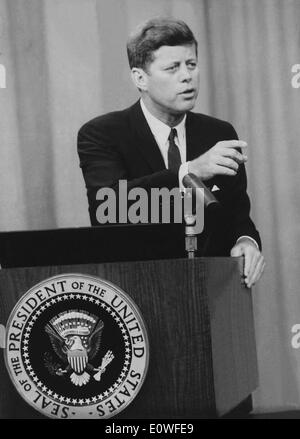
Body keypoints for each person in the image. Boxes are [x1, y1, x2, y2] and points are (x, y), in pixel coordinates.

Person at [77, 17, 265, 288]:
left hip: (216, 292)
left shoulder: (219, 133)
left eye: (191, 64)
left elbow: (238, 215)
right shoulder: (103, 134)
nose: (187, 76)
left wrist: (246, 242)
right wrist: (190, 172)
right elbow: (108, 207)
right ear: (140, 78)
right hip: (139, 291)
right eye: (172, 68)